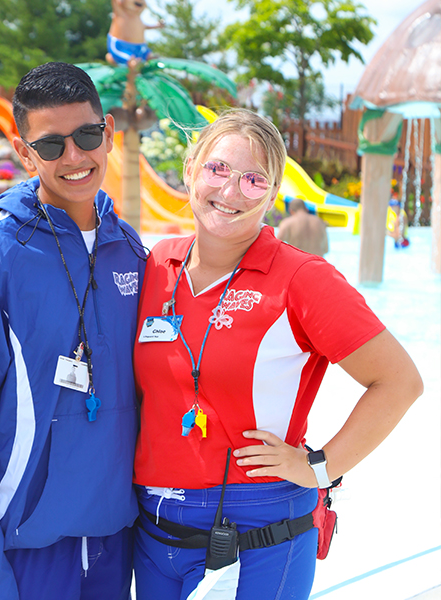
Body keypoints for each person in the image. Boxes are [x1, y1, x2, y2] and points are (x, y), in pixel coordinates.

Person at [132, 109, 423, 600]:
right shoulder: (159, 264)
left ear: (272, 196)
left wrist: (321, 468)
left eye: (253, 180)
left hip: (259, 536)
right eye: (218, 169)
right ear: (190, 169)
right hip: (155, 532)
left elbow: (400, 382)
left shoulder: (302, 279)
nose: (229, 192)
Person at [0, 62, 146, 600]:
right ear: (25, 153)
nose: (74, 157)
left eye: (87, 136)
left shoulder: (130, 250)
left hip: (115, 548)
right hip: (23, 557)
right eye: (50, 145)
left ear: (108, 132)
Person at [106, 0, 164, 66]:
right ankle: (131, 66)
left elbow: (144, 27)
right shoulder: (121, 12)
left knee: (148, 55)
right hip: (121, 46)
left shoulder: (138, 18)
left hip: (140, 47)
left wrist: (157, 25)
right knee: (130, 60)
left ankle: (148, 58)